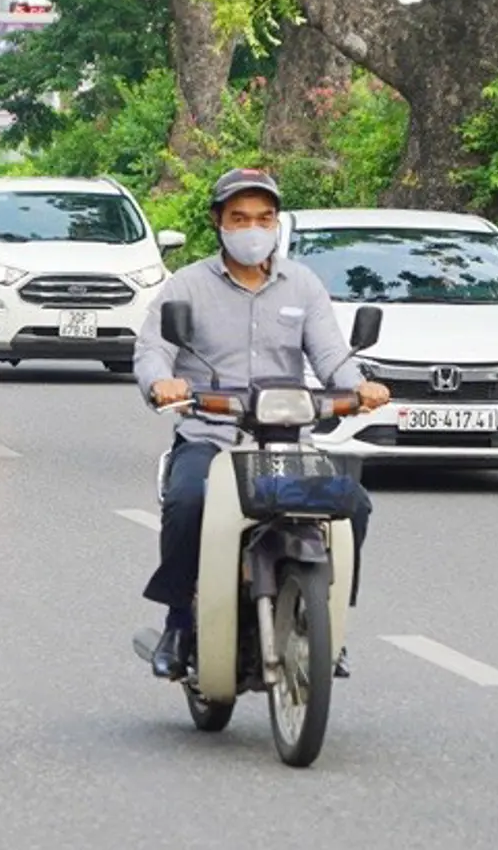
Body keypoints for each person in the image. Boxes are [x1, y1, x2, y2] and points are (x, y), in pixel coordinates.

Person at [133, 168, 391, 682]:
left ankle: (329, 629)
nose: (253, 228)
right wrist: (163, 383)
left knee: (353, 506)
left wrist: (359, 387)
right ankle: (179, 622)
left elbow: (332, 356)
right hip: (211, 435)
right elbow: (152, 351)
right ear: (218, 222)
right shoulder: (186, 286)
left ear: (277, 224)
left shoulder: (303, 284)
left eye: (264, 218)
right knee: (188, 502)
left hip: (286, 440)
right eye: (240, 218)